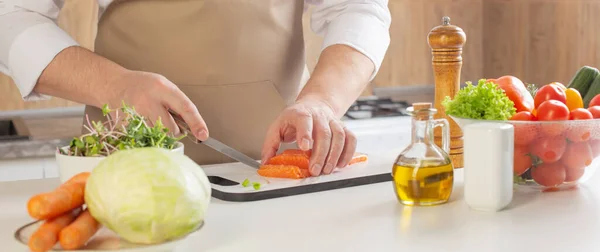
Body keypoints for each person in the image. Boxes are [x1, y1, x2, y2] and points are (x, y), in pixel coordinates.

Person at [0, 0, 391, 176]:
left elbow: (358, 8)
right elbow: (11, 15)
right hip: (126, 173)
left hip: (275, 173)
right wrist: (114, 84)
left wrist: (321, 102)